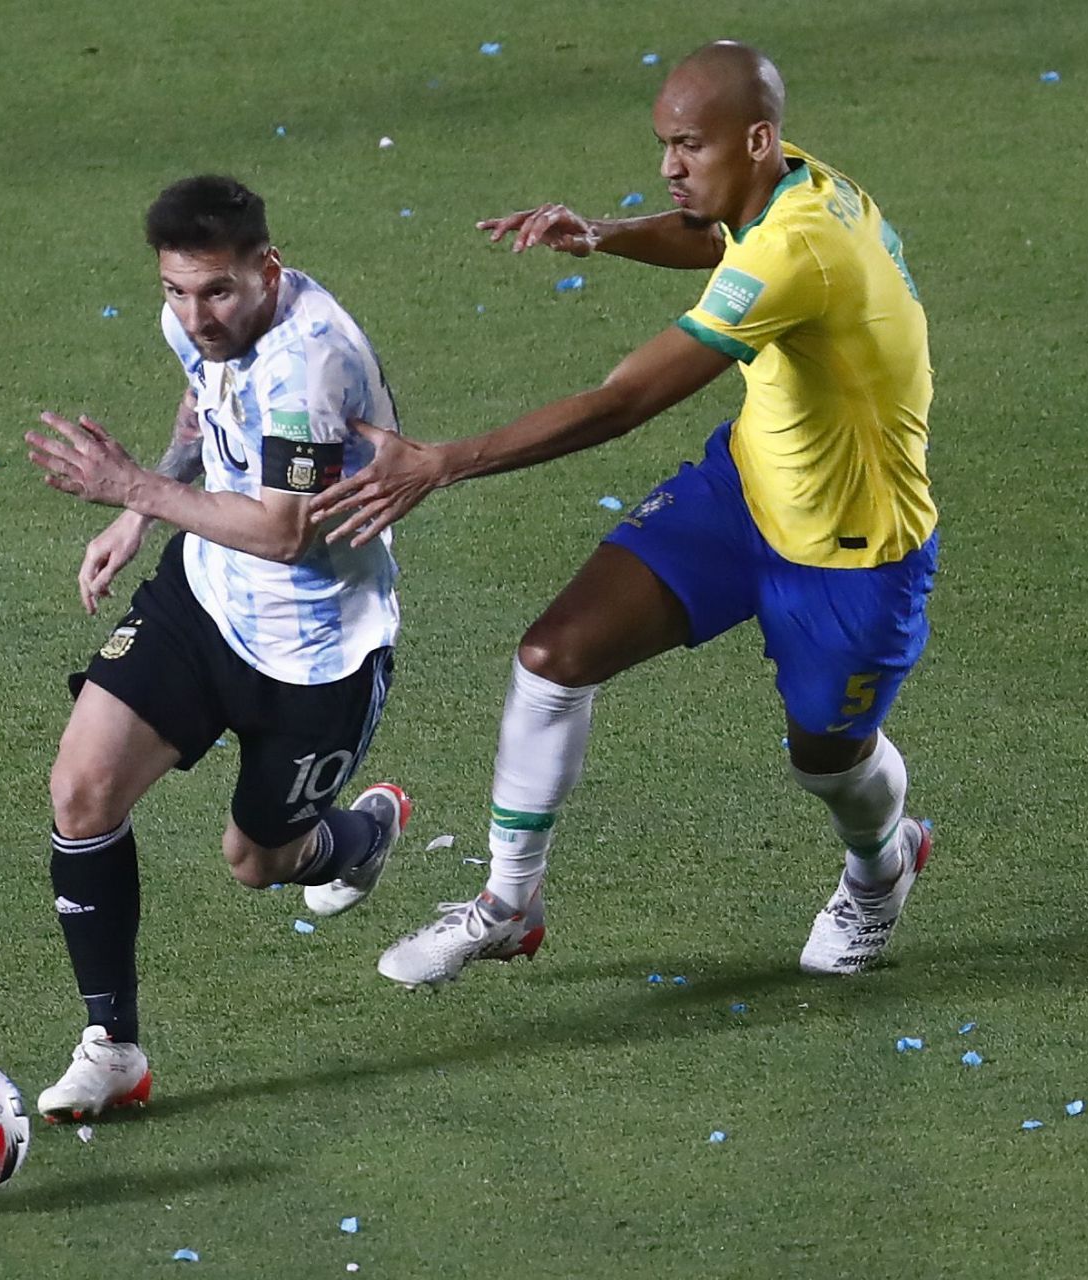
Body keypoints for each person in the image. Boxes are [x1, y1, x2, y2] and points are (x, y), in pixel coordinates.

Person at [310, 41, 940, 988]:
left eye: (688, 146)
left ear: (757, 138)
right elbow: (712, 236)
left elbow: (622, 403)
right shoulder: (784, 184)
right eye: (664, 144)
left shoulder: (800, 250)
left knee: (828, 757)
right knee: (554, 655)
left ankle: (882, 865)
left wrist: (442, 463)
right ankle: (509, 902)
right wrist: (604, 234)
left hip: (853, 550)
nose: (669, 167)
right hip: (749, 487)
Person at [22, 175, 410, 1119]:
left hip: (317, 657)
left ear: (267, 269)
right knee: (80, 788)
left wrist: (135, 494)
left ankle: (358, 837)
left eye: (218, 292)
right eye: (176, 292)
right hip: (204, 600)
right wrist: (141, 505)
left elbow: (284, 532)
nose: (196, 317)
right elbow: (203, 410)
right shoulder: (201, 326)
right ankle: (111, 1045)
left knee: (257, 861)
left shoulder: (310, 367)